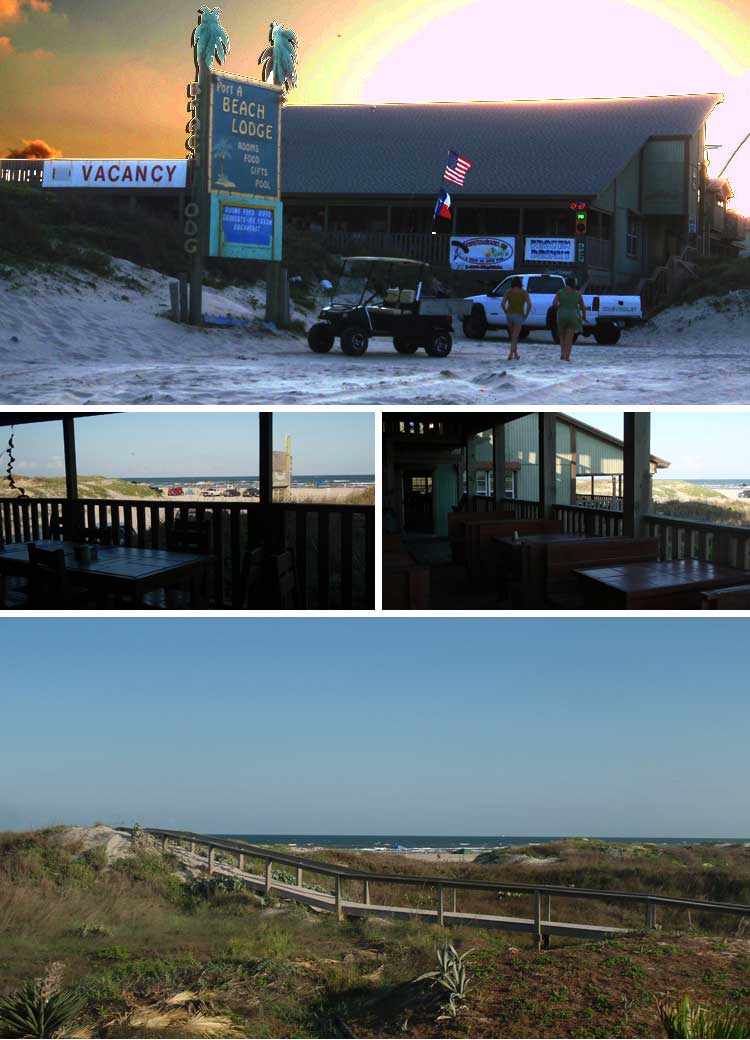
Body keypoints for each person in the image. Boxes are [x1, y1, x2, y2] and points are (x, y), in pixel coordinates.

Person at [553, 275, 586, 361]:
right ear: (574, 284)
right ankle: (567, 356)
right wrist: (584, 315)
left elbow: (554, 304)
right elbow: (582, 306)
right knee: (569, 338)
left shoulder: (560, 292)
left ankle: (562, 354)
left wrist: (559, 307)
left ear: (566, 283)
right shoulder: (577, 293)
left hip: (561, 315)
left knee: (562, 336)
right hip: (573, 316)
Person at [500, 276, 532, 360]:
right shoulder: (524, 292)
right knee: (515, 336)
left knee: (513, 336)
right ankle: (510, 354)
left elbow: (502, 304)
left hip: (509, 315)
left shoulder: (508, 292)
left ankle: (516, 354)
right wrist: (526, 315)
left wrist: (506, 312)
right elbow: (529, 305)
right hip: (519, 315)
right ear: (520, 283)